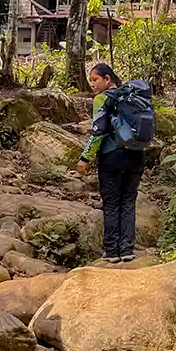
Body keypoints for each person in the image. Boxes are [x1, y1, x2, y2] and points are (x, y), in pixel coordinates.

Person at [75, 63, 149, 263]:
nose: (92, 84)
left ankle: (112, 251)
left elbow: (98, 131)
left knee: (112, 203)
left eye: (95, 79)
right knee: (128, 202)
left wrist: (85, 158)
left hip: (112, 157)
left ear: (107, 79)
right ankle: (127, 249)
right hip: (136, 155)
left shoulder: (103, 99)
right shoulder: (134, 96)